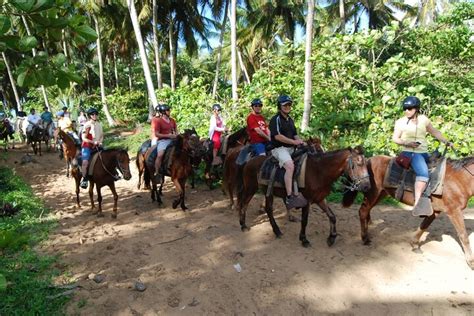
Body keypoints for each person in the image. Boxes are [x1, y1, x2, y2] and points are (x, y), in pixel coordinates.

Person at [392, 96, 453, 216]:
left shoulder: (424, 120)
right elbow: (395, 138)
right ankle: (418, 203)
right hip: (410, 153)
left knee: (441, 167)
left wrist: (446, 141)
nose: (407, 111)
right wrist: (406, 143)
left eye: (409, 108)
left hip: (424, 152)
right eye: (405, 108)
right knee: (423, 173)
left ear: (416, 109)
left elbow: (434, 131)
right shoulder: (400, 122)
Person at [268, 95, 308, 210]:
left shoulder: (290, 120)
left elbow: (295, 134)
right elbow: (278, 136)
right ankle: (289, 196)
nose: (287, 107)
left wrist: (300, 141)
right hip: (279, 148)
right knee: (290, 166)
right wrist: (294, 142)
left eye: (289, 104)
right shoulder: (275, 119)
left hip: (291, 148)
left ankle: (300, 189)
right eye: (285, 105)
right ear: (279, 106)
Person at [80, 108, 104, 189]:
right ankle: (84, 179)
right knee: (85, 162)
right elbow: (83, 138)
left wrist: (100, 142)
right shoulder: (87, 125)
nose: (94, 115)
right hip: (87, 146)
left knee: (109, 156)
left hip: (98, 145)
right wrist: (93, 142)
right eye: (92, 114)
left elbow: (101, 136)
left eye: (96, 114)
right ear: (90, 116)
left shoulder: (99, 124)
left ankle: (114, 173)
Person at [152, 104, 177, 178]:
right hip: (163, 141)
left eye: (169, 110)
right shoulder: (158, 121)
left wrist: (176, 135)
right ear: (163, 112)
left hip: (173, 139)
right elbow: (156, 134)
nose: (169, 111)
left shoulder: (172, 120)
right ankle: (157, 172)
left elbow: (176, 130)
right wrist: (168, 135)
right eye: (168, 110)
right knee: (160, 155)